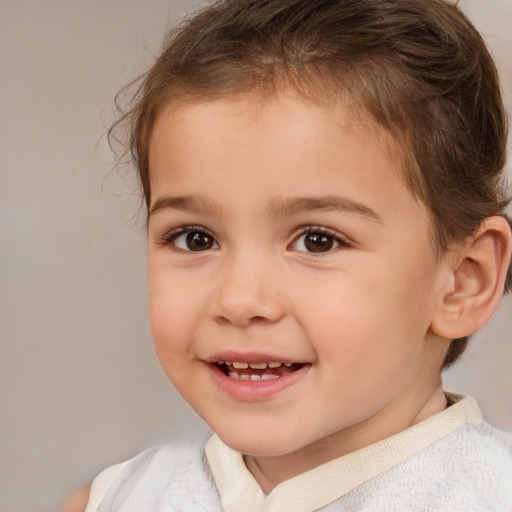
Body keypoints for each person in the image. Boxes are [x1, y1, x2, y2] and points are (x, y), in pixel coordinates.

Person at [63, 0, 512, 510]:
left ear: (462, 281)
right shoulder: (115, 500)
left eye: (317, 240)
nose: (239, 299)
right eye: (196, 238)